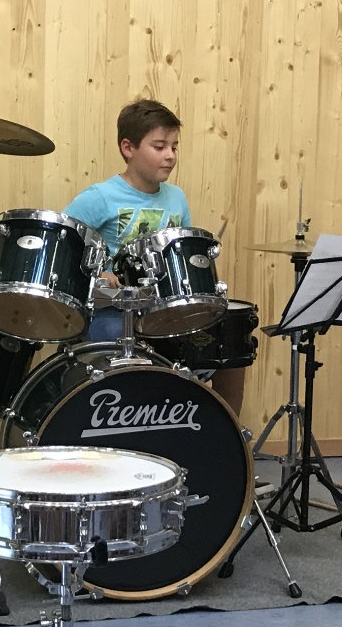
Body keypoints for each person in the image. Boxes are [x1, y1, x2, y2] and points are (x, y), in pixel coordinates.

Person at [63, 98, 247, 414]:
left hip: (164, 309)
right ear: (128, 148)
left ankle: (226, 434)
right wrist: (98, 275)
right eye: (159, 146)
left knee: (230, 338)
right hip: (113, 311)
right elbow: (64, 250)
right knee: (118, 343)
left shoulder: (177, 198)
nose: (170, 155)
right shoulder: (99, 198)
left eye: (174, 147)